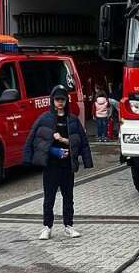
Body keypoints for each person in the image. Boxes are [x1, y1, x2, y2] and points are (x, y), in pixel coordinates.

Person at [23, 86, 93, 240]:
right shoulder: (44, 118)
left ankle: (69, 226)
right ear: (52, 101)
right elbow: (33, 140)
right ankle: (47, 227)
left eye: (62, 100)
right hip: (51, 165)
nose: (60, 102)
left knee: (68, 197)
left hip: (67, 165)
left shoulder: (73, 119)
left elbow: (82, 142)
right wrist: (29, 158)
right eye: (57, 100)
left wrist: (84, 159)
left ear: (66, 101)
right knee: (49, 197)